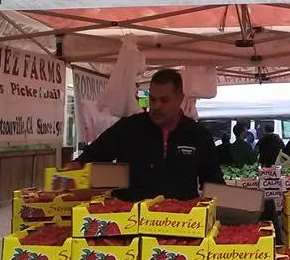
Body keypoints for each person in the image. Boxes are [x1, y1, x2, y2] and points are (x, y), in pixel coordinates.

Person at [77, 69, 224, 200]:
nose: (156, 106)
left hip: (181, 223)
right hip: (130, 222)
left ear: (180, 98)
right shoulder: (128, 128)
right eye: (152, 99)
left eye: (164, 100)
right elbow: (90, 157)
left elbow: (214, 183)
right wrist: (73, 170)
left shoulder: (198, 135)